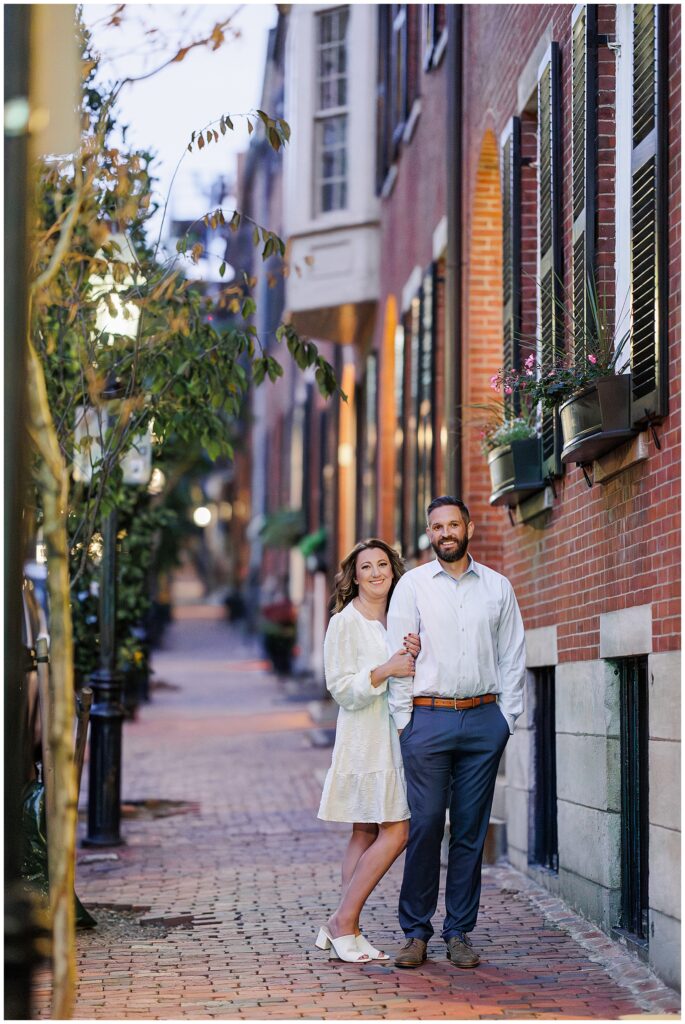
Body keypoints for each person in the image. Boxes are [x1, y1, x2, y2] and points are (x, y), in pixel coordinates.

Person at [386, 496, 525, 970]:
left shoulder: (498, 587)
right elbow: (399, 657)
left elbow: (512, 656)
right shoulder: (413, 586)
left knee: (469, 831)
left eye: (451, 524)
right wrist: (405, 721)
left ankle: (459, 931)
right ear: (430, 534)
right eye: (435, 526)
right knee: (425, 826)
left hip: (484, 720)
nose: (444, 532)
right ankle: (415, 932)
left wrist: (508, 720)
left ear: (468, 527)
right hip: (427, 718)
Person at [315, 539, 421, 963]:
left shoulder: (400, 617)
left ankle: (348, 927)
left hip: (395, 733)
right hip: (366, 739)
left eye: (383, 565)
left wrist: (410, 655)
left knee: (365, 830)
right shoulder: (344, 622)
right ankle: (343, 922)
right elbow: (339, 687)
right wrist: (386, 670)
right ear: (354, 575)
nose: (376, 573)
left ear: (393, 571)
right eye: (367, 567)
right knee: (397, 829)